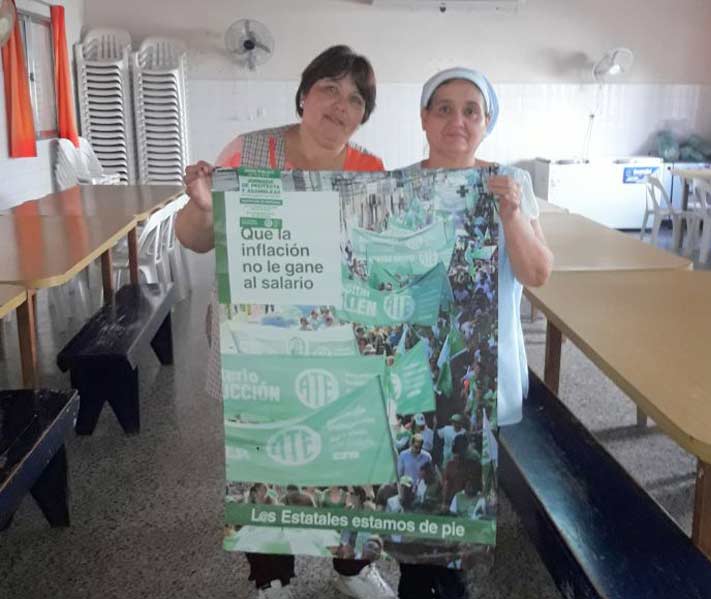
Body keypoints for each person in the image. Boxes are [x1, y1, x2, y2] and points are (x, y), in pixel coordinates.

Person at [176, 45, 394, 599]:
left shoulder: (371, 170)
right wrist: (201, 205)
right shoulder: (249, 152)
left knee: (349, 451)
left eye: (356, 99)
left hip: (339, 341)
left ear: (364, 115)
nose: (340, 105)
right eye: (329, 89)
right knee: (266, 455)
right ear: (303, 95)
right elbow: (195, 239)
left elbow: (380, 262)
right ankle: (271, 576)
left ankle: (351, 567)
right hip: (259, 344)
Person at [396, 67, 553, 599]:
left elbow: (537, 273)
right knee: (415, 479)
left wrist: (511, 216)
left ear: (487, 122)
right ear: (424, 118)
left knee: (463, 481)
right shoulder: (398, 186)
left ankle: (450, 576)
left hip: (482, 369)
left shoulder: (511, 183)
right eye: (443, 108)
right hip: (414, 366)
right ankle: (420, 579)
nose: (457, 121)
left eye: (471, 110)